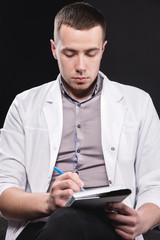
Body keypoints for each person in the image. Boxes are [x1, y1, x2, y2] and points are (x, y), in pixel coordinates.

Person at [0, 2, 160, 240]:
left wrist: (141, 221)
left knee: (68, 222)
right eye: (70, 53)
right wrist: (49, 201)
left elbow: (155, 184)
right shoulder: (24, 105)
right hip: (40, 226)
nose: (81, 66)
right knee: (65, 220)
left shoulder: (138, 103)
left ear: (103, 49)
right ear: (54, 49)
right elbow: (4, 194)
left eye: (91, 53)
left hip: (111, 229)